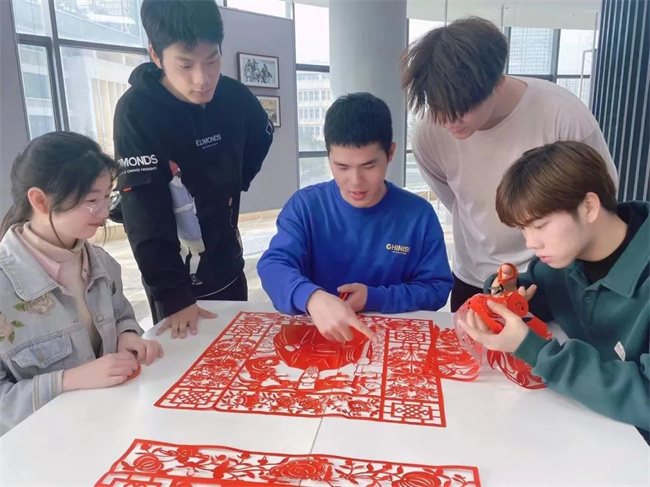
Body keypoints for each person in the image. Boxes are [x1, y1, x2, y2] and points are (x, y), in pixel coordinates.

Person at [401, 17, 618, 311]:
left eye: (463, 109)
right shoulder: (429, 134)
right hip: (474, 277)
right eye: (439, 108)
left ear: (498, 84)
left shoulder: (562, 115)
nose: (450, 122)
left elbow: (602, 199)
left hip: (556, 276)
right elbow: (456, 202)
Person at [458, 141, 648, 435]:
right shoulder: (565, 260)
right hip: (588, 429)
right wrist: (504, 295)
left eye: (540, 226)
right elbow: (537, 289)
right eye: (522, 229)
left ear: (588, 207)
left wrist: (536, 352)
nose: (530, 242)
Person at [114, 0, 274, 339]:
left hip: (229, 260)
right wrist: (174, 296)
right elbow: (143, 215)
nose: (202, 79)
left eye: (212, 60)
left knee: (234, 346)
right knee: (187, 356)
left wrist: (233, 182)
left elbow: (262, 135)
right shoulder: (136, 112)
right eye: (185, 65)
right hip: (176, 279)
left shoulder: (233, 97)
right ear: (155, 55)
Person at [0, 132, 163, 433]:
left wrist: (127, 334)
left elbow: (121, 314)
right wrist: (68, 381)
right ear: (40, 201)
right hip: (46, 443)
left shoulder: (101, 262)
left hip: (111, 424)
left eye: (107, 196)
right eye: (91, 201)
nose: (105, 212)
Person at [258, 93, 453, 342]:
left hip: (389, 341)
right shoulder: (305, 206)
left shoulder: (418, 215)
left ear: (390, 153)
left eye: (369, 166)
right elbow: (273, 265)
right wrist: (311, 297)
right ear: (328, 157)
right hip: (319, 337)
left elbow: (436, 288)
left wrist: (375, 297)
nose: (356, 182)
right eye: (342, 167)